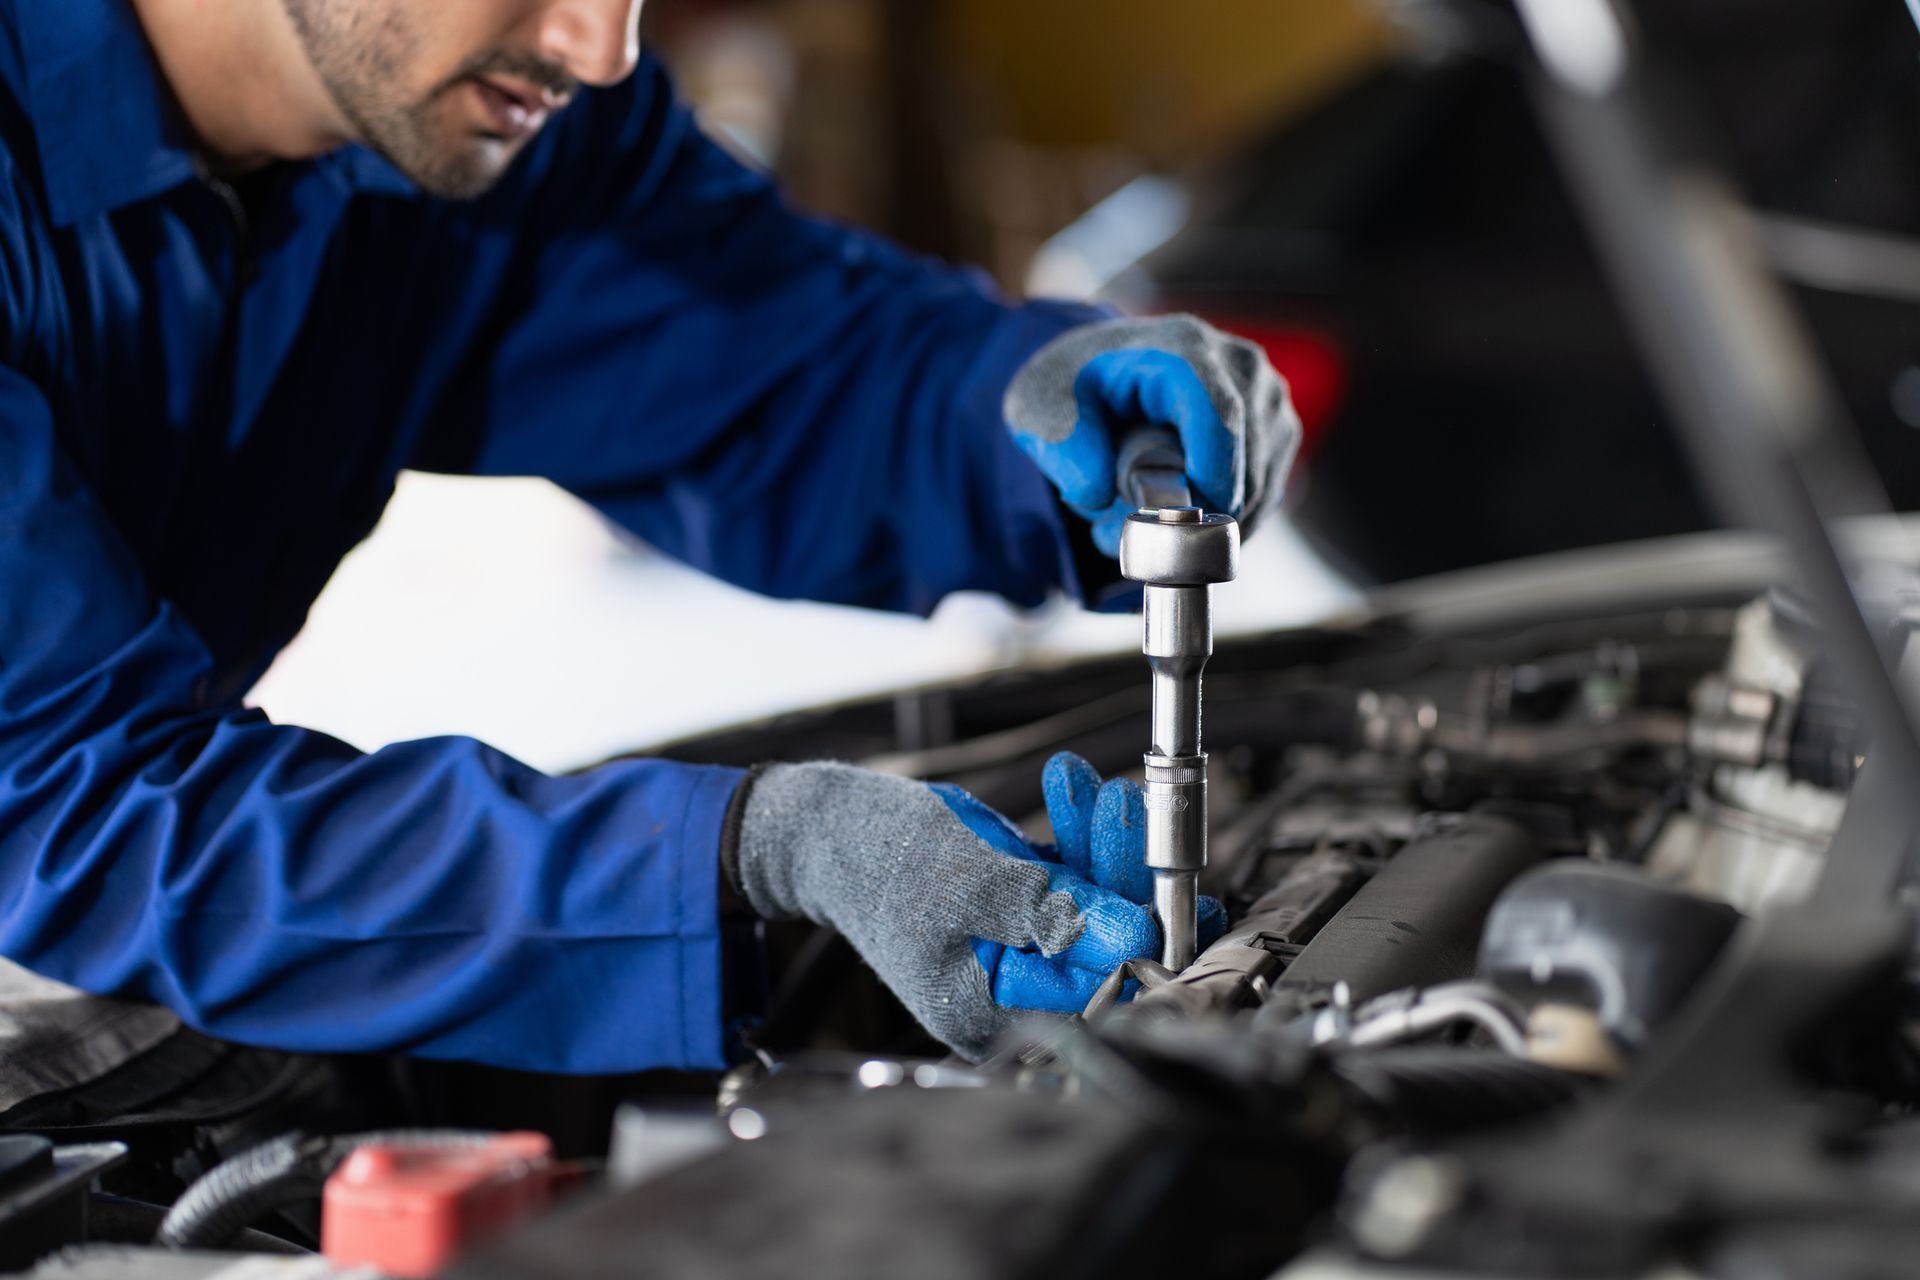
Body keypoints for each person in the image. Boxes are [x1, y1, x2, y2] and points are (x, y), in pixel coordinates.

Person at [0, 0, 1297, 1075]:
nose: (601, 47)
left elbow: (790, 374)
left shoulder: (487, 125)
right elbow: (70, 790)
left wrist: (1046, 402)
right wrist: (757, 847)